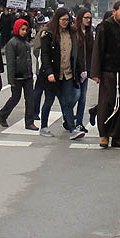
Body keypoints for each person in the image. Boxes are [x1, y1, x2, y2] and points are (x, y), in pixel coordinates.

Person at [90, 1, 120, 149]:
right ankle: (104, 134)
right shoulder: (104, 27)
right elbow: (98, 50)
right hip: (108, 71)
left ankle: (118, 136)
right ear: (114, 11)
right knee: (107, 102)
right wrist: (96, 72)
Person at [37, 8, 85, 140]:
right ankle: (44, 126)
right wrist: (49, 72)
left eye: (67, 20)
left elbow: (75, 55)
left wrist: (80, 70)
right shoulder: (48, 34)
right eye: (63, 20)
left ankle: (72, 129)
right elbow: (45, 54)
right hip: (53, 74)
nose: (65, 22)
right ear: (57, 20)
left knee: (67, 101)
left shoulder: (71, 33)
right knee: (49, 101)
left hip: (68, 73)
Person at [0, 19, 37, 130]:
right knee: (15, 98)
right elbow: (10, 63)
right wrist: (11, 80)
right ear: (17, 29)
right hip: (17, 76)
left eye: (26, 29)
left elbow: (28, 60)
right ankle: (3, 114)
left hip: (27, 76)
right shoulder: (12, 43)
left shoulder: (26, 43)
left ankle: (29, 122)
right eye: (22, 29)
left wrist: (30, 73)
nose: (24, 32)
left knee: (30, 99)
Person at [72, 8, 94, 132]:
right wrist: (79, 69)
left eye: (89, 18)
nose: (88, 20)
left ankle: (79, 122)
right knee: (75, 96)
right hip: (75, 70)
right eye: (86, 17)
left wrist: (90, 69)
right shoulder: (74, 32)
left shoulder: (89, 33)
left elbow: (91, 52)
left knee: (83, 97)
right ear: (80, 18)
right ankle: (68, 118)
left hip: (86, 71)